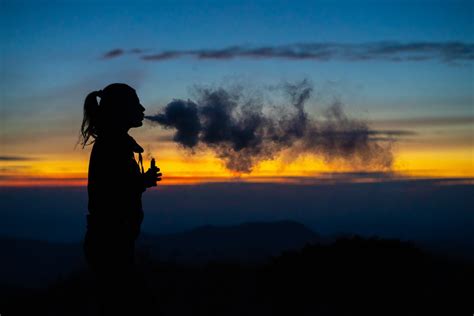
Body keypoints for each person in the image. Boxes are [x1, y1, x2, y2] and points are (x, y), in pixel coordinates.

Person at [79, 83, 161, 315]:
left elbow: (115, 189)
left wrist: (141, 182)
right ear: (120, 110)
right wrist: (141, 182)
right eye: (136, 104)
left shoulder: (114, 143)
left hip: (110, 244)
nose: (143, 109)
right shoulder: (113, 145)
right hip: (110, 245)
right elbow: (115, 193)